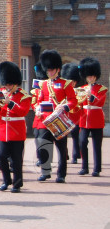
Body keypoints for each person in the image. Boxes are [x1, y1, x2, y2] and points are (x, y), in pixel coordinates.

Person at [33, 50, 77, 183]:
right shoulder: (43, 84)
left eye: (52, 70)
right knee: (43, 145)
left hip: (59, 119)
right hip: (45, 120)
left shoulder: (66, 84)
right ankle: (45, 172)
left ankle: (61, 174)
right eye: (48, 70)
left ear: (57, 69)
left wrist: (64, 107)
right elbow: (38, 101)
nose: (50, 72)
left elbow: (72, 100)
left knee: (61, 148)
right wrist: (37, 109)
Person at [0, 61, 31, 193]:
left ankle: (17, 183)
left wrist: (10, 103)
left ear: (15, 83)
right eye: (6, 84)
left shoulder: (24, 95)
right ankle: (6, 180)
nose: (7, 86)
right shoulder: (0, 93)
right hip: (2, 129)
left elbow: (23, 111)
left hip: (16, 131)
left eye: (10, 84)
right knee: (0, 156)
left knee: (17, 159)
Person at [77, 57, 105, 177]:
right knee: (82, 142)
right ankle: (84, 167)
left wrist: (91, 96)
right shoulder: (82, 89)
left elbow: (100, 102)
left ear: (96, 76)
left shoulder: (101, 89)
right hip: (84, 120)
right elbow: (78, 103)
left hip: (96, 120)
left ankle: (97, 169)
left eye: (93, 76)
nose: (91, 78)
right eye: (89, 76)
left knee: (96, 145)